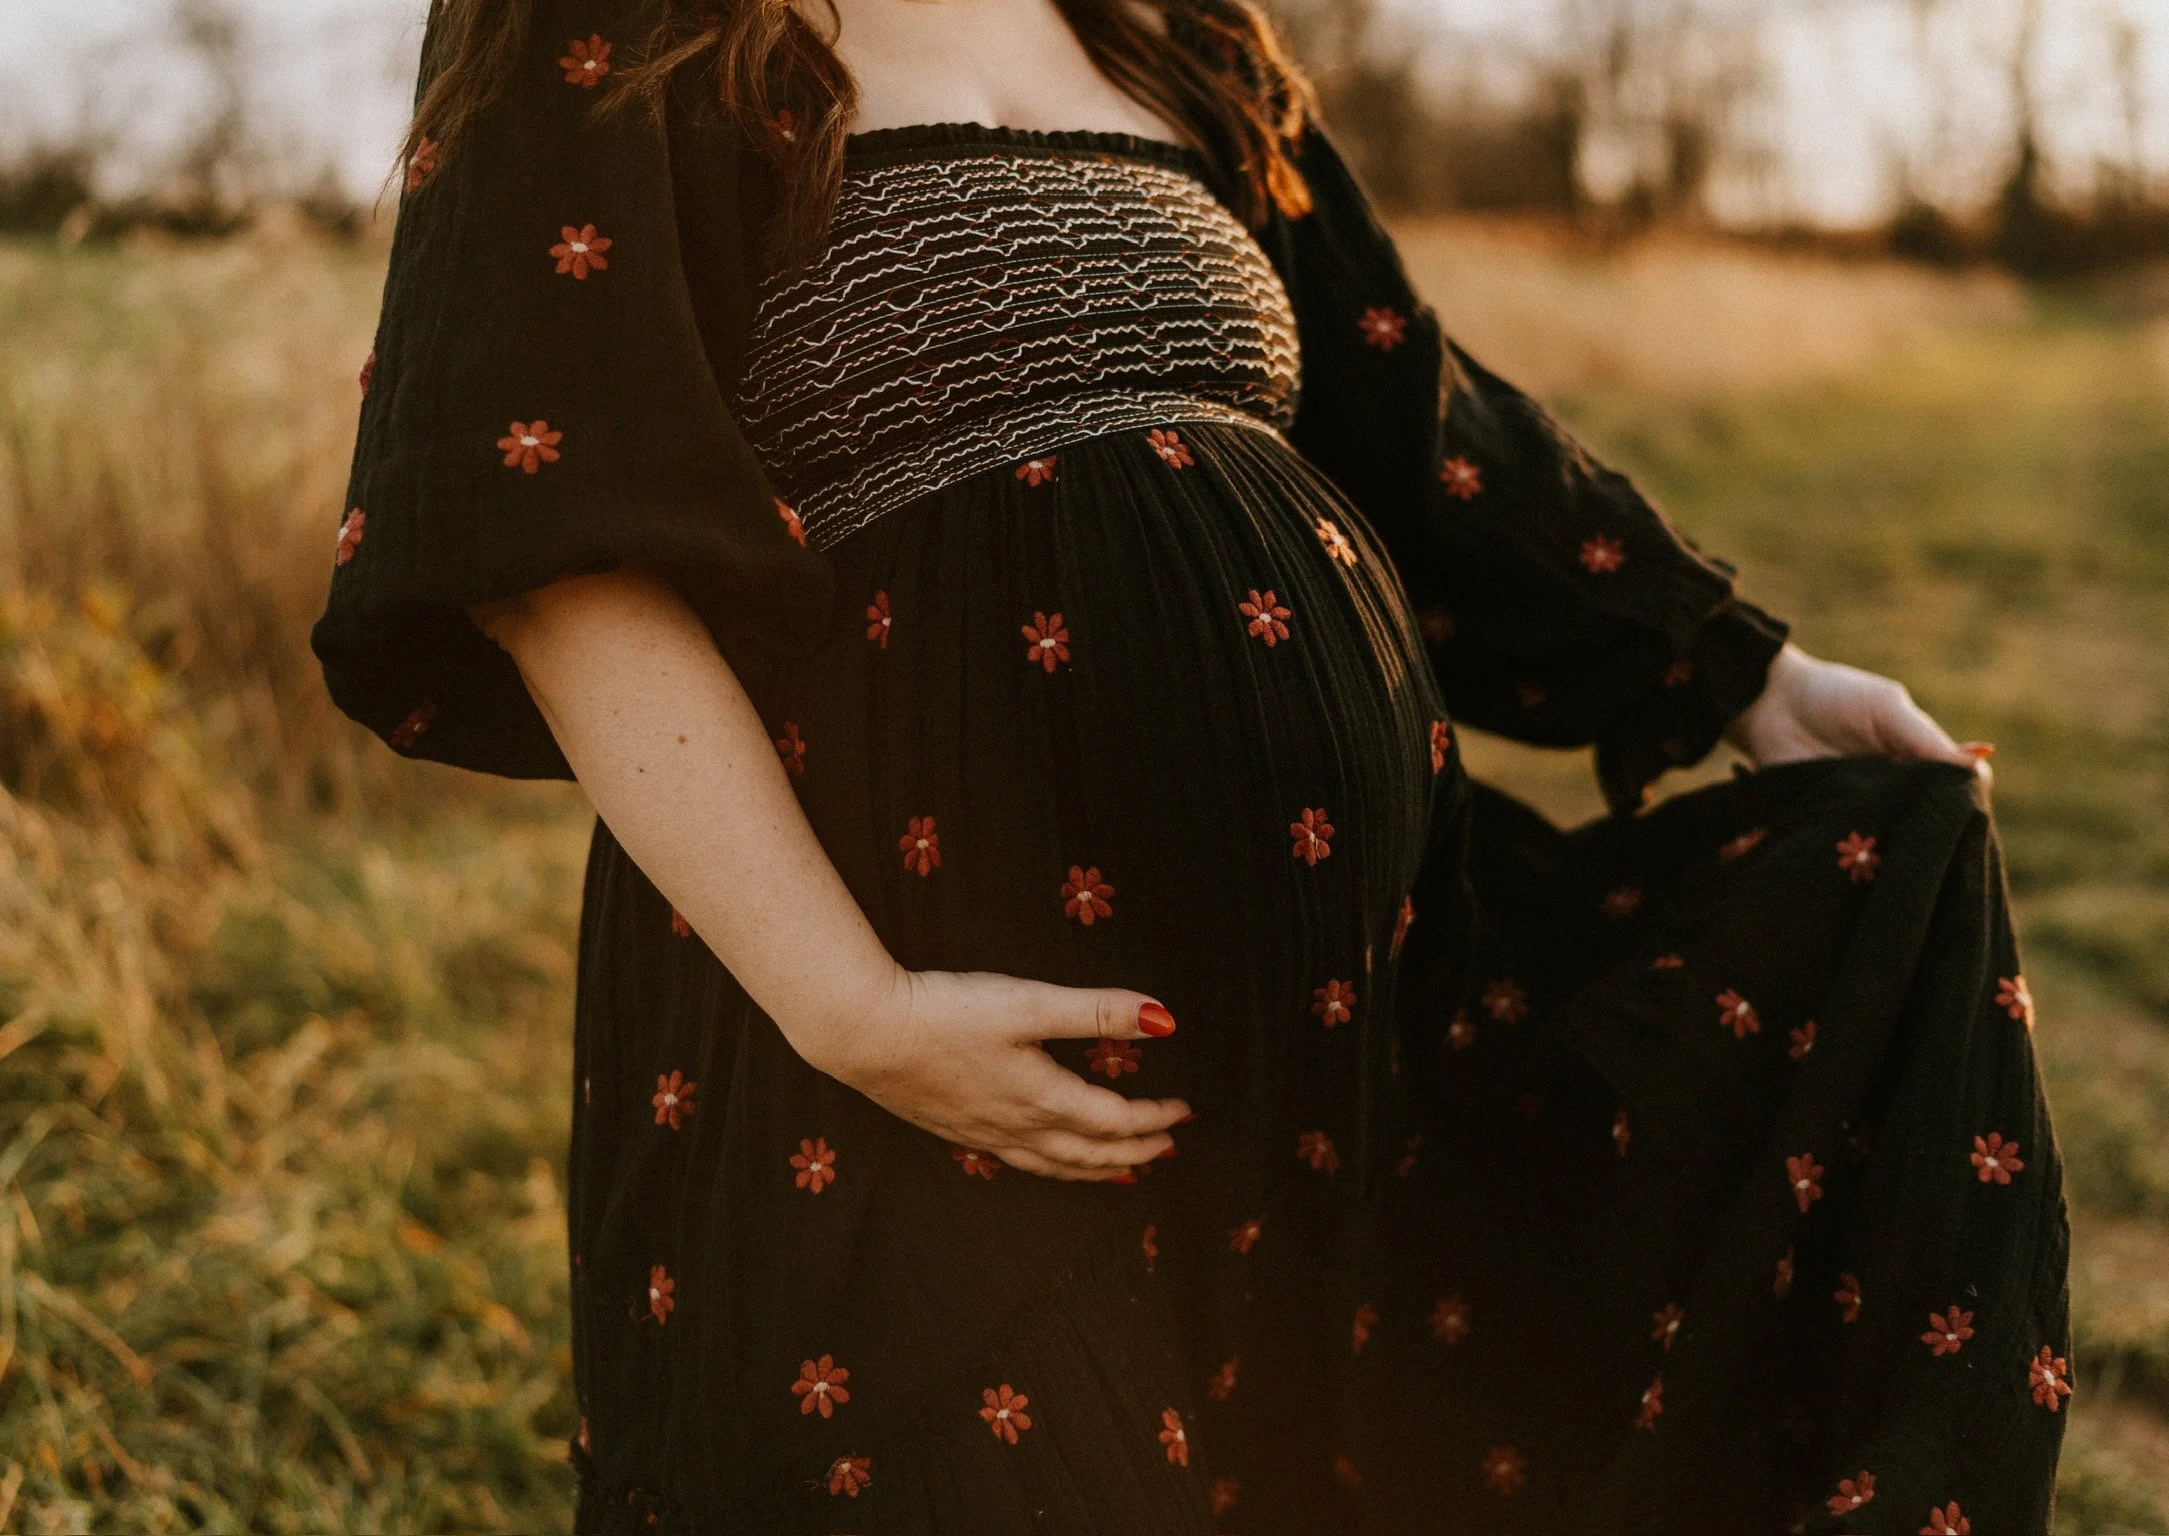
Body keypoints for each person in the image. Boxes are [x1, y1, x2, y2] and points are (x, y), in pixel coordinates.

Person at [313, 0, 2070, 1530]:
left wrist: (1743, 671)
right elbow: (546, 541)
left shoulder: (1172, 27)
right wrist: (850, 1005)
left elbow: (1414, 416)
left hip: (1335, 1031)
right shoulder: (624, 22)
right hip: (909, 1035)